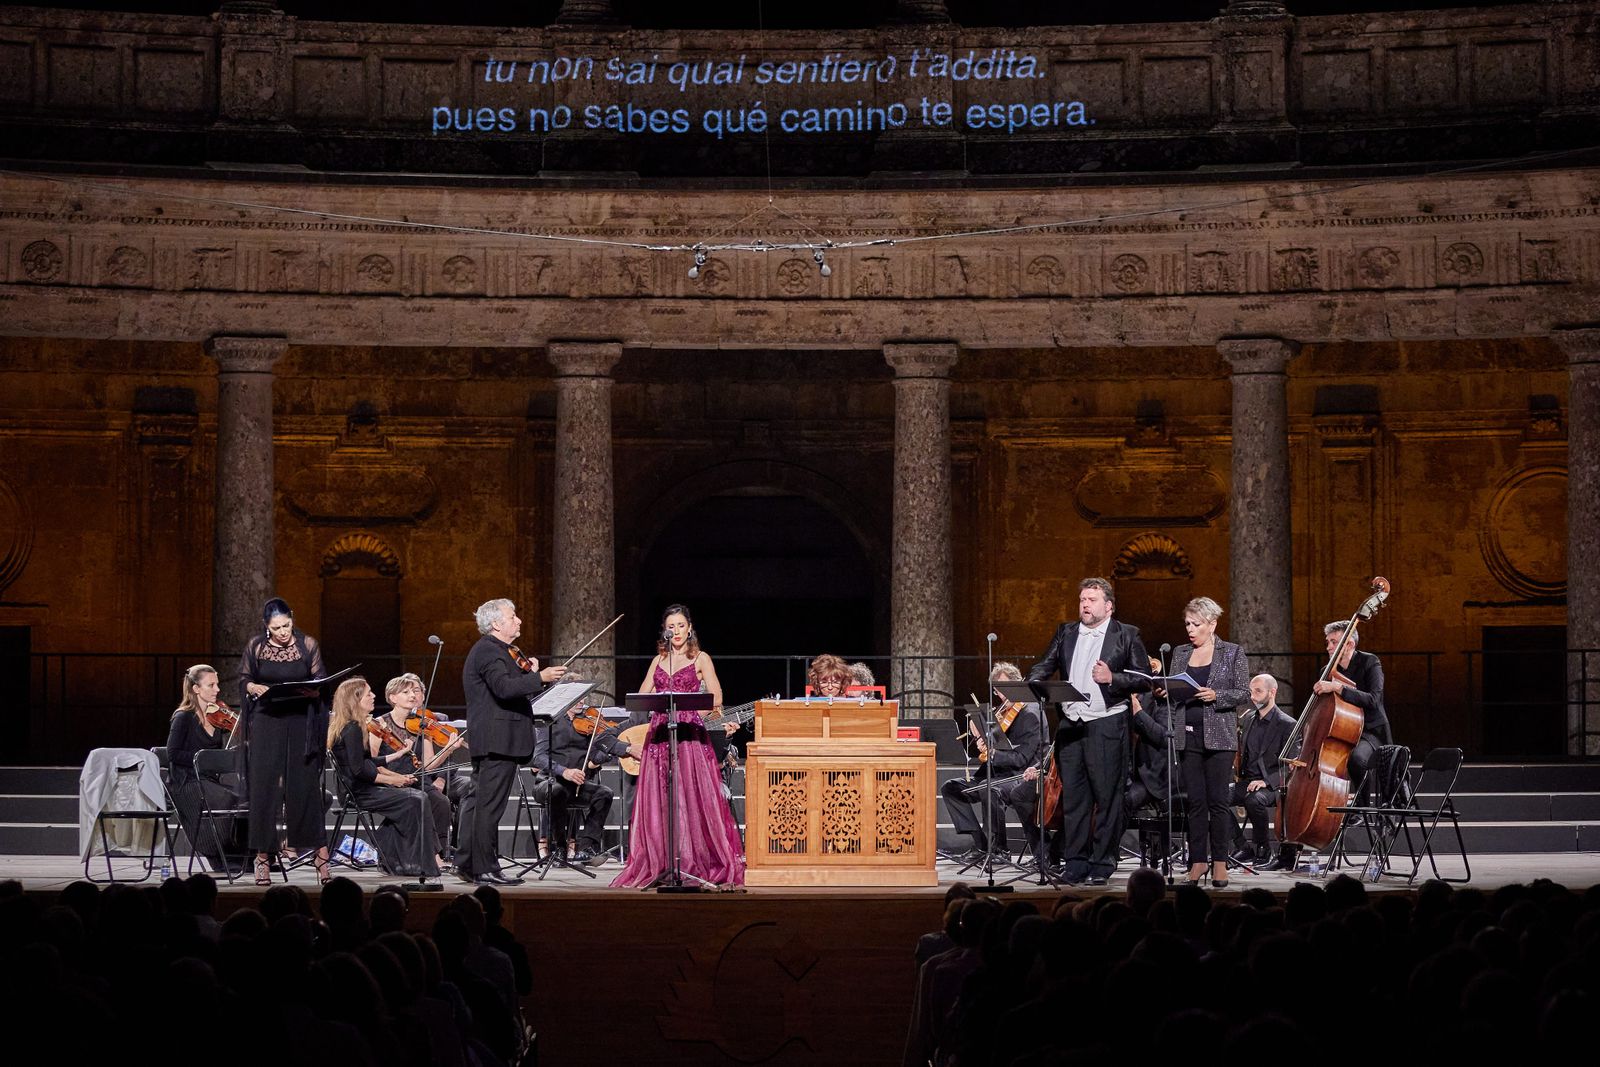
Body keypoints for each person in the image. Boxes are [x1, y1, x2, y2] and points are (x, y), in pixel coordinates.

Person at [1026, 577, 1151, 885]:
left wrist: (1113, 678)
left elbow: (1144, 679)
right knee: (1076, 798)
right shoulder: (1065, 632)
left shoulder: (1127, 634)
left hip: (1107, 724)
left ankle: (1102, 863)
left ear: (1108, 606)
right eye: (1082, 599)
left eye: (1092, 599)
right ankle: (1076, 862)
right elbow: (1043, 666)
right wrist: (1036, 682)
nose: (1085, 604)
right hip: (1071, 725)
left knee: (1107, 797)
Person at [611, 603, 745, 888]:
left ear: (690, 627)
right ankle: (661, 861)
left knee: (690, 795)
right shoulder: (658, 659)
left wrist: (693, 714)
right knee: (660, 797)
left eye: (681, 625)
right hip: (659, 734)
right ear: (665, 630)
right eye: (671, 627)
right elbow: (642, 694)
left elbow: (716, 698)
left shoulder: (700, 658)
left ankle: (693, 860)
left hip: (689, 736)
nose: (676, 631)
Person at [456, 598, 565, 887]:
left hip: (497, 739)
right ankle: (485, 867)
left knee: (480, 803)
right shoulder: (490, 651)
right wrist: (538, 677)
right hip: (497, 740)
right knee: (489, 807)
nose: (518, 621)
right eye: (512, 616)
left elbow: (511, 686)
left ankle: (468, 864)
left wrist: (530, 676)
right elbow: (504, 688)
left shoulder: (499, 651)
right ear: (495, 623)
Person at [1270, 620, 1392, 871]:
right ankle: (1293, 844)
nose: (1328, 646)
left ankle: (1361, 805)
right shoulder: (1329, 668)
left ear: (1349, 643)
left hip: (1370, 731)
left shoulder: (1370, 662)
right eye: (1328, 642)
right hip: (1338, 735)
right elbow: (1324, 711)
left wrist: (1337, 687)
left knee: (1357, 759)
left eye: (1333, 642)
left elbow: (1374, 699)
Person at [239, 597, 331, 886]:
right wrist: (253, 686)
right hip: (268, 721)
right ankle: (263, 859)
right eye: (276, 627)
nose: (282, 632)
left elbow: (321, 679)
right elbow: (244, 679)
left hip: (299, 720)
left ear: (292, 619)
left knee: (304, 787)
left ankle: (321, 858)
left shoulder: (307, 645)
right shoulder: (256, 646)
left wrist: (314, 691)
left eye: (286, 625)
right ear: (267, 627)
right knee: (265, 788)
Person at [1163, 596, 1250, 888]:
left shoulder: (1232, 652)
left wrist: (1218, 696)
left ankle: (1220, 863)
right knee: (1196, 803)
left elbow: (1243, 693)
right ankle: (1198, 861)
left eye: (1196, 624)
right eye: (1187, 623)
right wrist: (1166, 691)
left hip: (1220, 738)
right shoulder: (1180, 652)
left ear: (1212, 624)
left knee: (1218, 803)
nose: (1190, 629)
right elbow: (1175, 688)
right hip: (1187, 736)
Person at [327, 676, 441, 879]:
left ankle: (399, 858)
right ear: (356, 699)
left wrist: (396, 755)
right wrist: (392, 780)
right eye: (369, 693)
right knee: (417, 799)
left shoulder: (356, 725)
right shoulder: (352, 728)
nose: (373, 696)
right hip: (359, 792)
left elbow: (367, 761)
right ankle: (408, 861)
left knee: (416, 798)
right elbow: (359, 770)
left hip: (363, 787)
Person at [529, 679, 643, 866]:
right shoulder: (550, 722)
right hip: (547, 783)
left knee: (604, 794)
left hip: (576, 786)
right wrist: (564, 771)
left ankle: (585, 848)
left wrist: (604, 756)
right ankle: (559, 848)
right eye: (577, 698)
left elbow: (596, 754)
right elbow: (538, 757)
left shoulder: (589, 723)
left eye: (583, 697)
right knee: (557, 791)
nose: (582, 701)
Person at [940, 661, 1043, 861]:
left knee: (989, 788)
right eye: (997, 692)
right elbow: (992, 747)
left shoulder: (1030, 714)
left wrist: (993, 753)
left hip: (1019, 776)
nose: (1002, 696)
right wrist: (981, 740)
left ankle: (999, 849)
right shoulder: (1001, 714)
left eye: (1004, 689)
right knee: (950, 788)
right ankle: (981, 845)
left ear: (1017, 684)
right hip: (995, 774)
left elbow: (1022, 758)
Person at [375, 673, 463, 868]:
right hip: (389, 780)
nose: (412, 695)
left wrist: (449, 748)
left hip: (415, 779)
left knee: (441, 802)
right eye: (405, 692)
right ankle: (432, 858)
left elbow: (428, 765)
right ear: (392, 698)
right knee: (420, 801)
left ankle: (434, 852)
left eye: (414, 691)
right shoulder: (380, 724)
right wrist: (396, 778)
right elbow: (374, 762)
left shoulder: (422, 724)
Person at [166, 663, 243, 871]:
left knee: (244, 797)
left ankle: (242, 854)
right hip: (186, 782)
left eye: (217, 684)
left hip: (209, 781)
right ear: (196, 689)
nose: (217, 689)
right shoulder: (183, 717)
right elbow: (172, 754)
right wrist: (204, 759)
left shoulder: (217, 717)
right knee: (228, 799)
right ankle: (216, 853)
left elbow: (220, 754)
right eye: (211, 685)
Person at [1228, 674, 1295, 867]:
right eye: (1251, 691)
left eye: (1258, 691)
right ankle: (1242, 847)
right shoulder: (1249, 718)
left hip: (1274, 784)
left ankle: (1263, 849)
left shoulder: (1287, 724)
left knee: (1254, 799)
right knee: (1216, 797)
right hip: (1249, 780)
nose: (1253, 696)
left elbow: (1292, 764)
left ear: (1272, 692)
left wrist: (1266, 782)